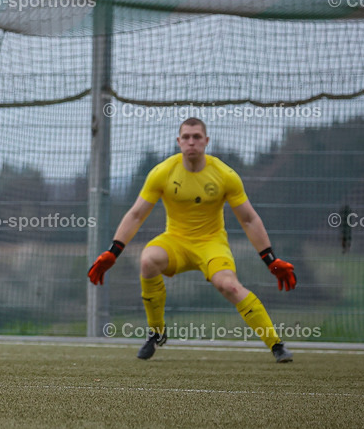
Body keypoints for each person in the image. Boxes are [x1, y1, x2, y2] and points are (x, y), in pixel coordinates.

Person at [88, 117, 296, 362]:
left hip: (212, 244)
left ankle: (276, 345)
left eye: (197, 137)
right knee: (148, 260)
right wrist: (113, 251)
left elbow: (249, 219)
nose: (191, 142)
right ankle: (156, 333)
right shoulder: (162, 172)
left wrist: (270, 260)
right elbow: (136, 214)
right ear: (178, 142)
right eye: (186, 137)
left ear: (206, 141)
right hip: (175, 241)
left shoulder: (225, 175)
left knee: (229, 286)